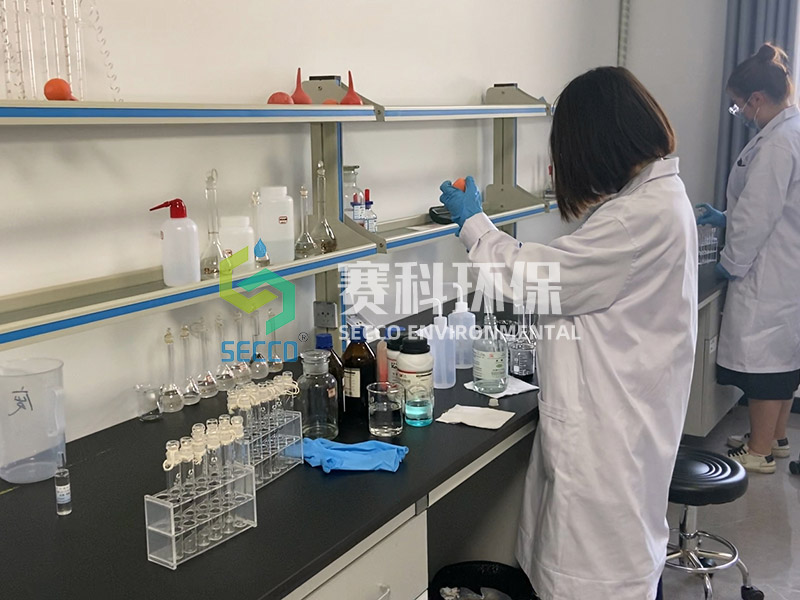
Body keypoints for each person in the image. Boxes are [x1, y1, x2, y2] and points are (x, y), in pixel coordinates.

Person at [439, 67, 697, 600]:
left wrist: (474, 225)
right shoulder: (658, 199)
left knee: (590, 576)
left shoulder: (633, 220)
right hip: (624, 430)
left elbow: (534, 277)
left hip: (608, 456)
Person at [697, 43, 800, 474]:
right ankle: (774, 438)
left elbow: (758, 215)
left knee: (766, 366)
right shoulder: (787, 132)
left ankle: (758, 453)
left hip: (768, 271)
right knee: (782, 359)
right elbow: (772, 206)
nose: (739, 112)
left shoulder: (778, 143)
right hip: (783, 266)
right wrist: (727, 217)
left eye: (739, 104)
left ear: (757, 98)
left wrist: (730, 264)